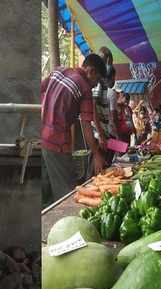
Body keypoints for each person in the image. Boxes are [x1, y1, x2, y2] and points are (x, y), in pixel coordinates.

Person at [41, 54, 107, 201]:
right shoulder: (84, 88)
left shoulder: (58, 71)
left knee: (46, 190)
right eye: (97, 80)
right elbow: (86, 126)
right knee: (66, 193)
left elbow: (40, 88)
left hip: (41, 136)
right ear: (91, 71)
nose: (95, 85)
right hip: (58, 144)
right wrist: (96, 154)